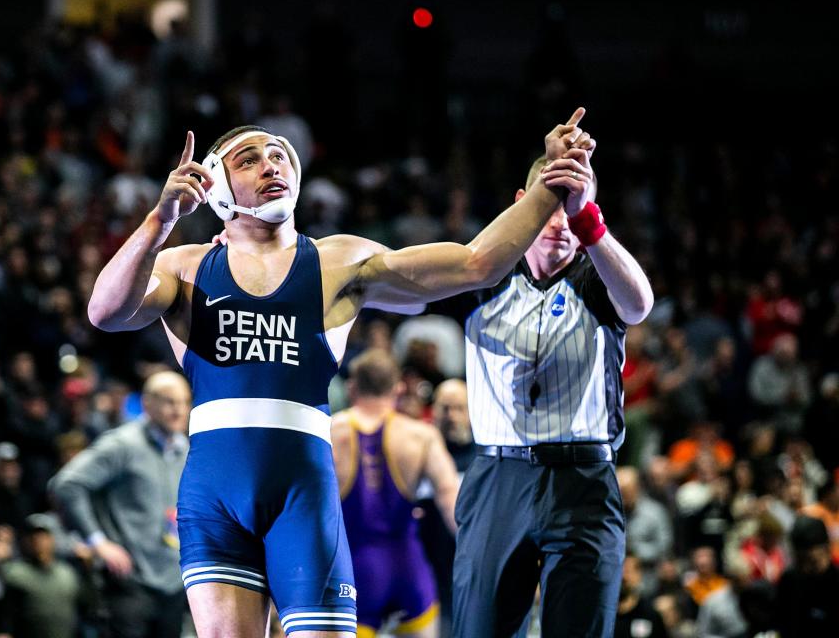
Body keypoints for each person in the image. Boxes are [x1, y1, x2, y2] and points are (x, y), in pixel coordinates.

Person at [87, 108, 596, 637]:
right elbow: (106, 311)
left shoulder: (340, 262)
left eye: (280, 155)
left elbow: (473, 264)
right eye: (250, 159)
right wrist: (159, 223)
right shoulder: (184, 264)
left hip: (303, 496)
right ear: (214, 184)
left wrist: (551, 183)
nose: (271, 165)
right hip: (216, 497)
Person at [451, 148, 654, 637]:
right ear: (523, 203)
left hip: (582, 479)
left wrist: (591, 221)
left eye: (573, 206)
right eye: (549, 204)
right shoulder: (483, 274)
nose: (560, 220)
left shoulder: (598, 275)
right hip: (498, 478)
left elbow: (640, 304)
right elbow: (394, 278)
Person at [48, 371, 190, 638]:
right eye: (170, 401)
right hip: (130, 583)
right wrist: (98, 541)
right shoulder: (123, 444)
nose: (179, 410)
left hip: (173, 583)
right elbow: (67, 484)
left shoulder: (185, 450)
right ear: (147, 404)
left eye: (184, 402)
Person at [330, 350, 460, 638]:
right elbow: (451, 498)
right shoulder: (420, 435)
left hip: (353, 571)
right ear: (398, 388)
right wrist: (477, 557)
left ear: (352, 387)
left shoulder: (328, 432)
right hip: (409, 569)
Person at [2, 513, 82, 638]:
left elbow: (86, 606)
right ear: (23, 541)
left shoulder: (67, 573)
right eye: (32, 536)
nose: (37, 541)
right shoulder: (12, 573)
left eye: (43, 536)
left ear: (52, 539)